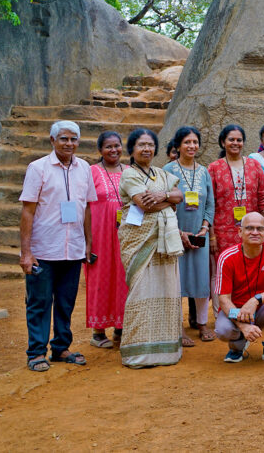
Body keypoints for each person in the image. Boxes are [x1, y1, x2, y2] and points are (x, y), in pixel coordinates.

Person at [19, 121, 97, 372]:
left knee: (65, 302)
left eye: (74, 139)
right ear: (52, 141)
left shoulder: (84, 168)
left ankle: (61, 347)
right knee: (39, 303)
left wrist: (87, 242)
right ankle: (36, 352)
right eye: (64, 139)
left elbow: (86, 209)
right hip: (43, 249)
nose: (69, 144)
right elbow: (27, 211)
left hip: (73, 249)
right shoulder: (38, 168)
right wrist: (26, 252)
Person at [118, 128, 185, 368]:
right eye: (141, 145)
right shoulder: (128, 175)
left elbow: (179, 195)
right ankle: (138, 353)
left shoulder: (161, 173)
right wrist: (169, 201)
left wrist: (165, 196)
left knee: (167, 289)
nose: (147, 149)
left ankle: (167, 351)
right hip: (140, 241)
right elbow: (143, 204)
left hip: (165, 242)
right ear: (132, 149)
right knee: (141, 291)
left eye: (150, 145)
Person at [214, 213, 264, 364]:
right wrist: (243, 326)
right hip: (237, 311)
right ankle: (237, 347)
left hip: (263, 308)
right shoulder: (227, 257)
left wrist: (256, 300)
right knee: (223, 330)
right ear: (240, 232)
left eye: (259, 229)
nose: (255, 232)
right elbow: (223, 299)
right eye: (249, 228)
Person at [163, 126, 216, 346]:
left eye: (195, 142)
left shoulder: (204, 171)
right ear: (178, 145)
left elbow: (210, 204)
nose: (192, 146)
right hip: (175, 234)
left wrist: (204, 228)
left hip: (199, 234)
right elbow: (164, 205)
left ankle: (202, 323)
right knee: (177, 281)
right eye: (187, 142)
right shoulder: (167, 170)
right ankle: (178, 328)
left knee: (201, 280)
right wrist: (179, 232)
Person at [85, 131, 127, 350]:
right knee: (101, 278)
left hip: (125, 236)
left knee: (123, 278)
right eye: (108, 146)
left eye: (117, 146)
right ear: (100, 150)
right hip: (99, 235)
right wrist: (87, 241)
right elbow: (85, 207)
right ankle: (98, 331)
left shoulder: (129, 171)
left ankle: (120, 328)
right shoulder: (91, 172)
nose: (114, 150)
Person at [209, 124, 264, 255]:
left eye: (239, 140)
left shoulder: (254, 165)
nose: (235, 143)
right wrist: (212, 236)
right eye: (231, 140)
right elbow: (209, 204)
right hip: (223, 233)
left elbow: (263, 198)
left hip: (253, 231)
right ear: (222, 142)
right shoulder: (214, 168)